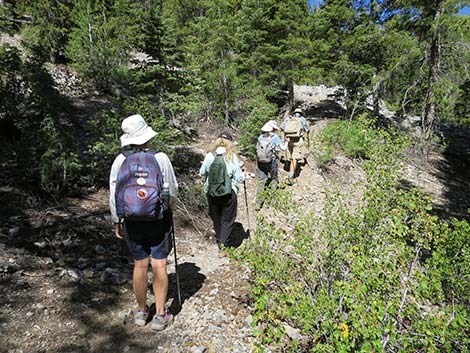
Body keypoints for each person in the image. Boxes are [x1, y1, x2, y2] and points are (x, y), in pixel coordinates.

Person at [109, 114, 178, 330]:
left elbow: (114, 192)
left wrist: (116, 220)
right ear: (146, 135)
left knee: (140, 264)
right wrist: (170, 212)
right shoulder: (160, 158)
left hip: (131, 219)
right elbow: (172, 189)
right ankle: (161, 314)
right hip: (159, 218)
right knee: (159, 264)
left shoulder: (120, 160)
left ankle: (141, 312)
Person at [199, 131, 245, 258]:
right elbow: (239, 177)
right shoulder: (231, 156)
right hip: (228, 193)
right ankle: (223, 246)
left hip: (212, 193)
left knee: (217, 218)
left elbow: (202, 172)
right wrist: (243, 175)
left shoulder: (210, 155)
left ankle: (220, 241)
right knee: (228, 218)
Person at [255, 120, 288, 210]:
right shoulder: (275, 137)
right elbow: (283, 148)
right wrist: (287, 142)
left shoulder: (260, 137)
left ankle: (258, 203)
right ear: (272, 129)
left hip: (260, 161)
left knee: (261, 181)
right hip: (272, 161)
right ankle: (273, 201)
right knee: (274, 178)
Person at [280, 108, 309, 184]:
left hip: (289, 140)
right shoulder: (302, 119)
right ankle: (291, 176)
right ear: (301, 113)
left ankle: (287, 166)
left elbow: (281, 128)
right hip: (297, 141)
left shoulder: (288, 119)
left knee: (290, 155)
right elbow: (306, 130)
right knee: (294, 158)